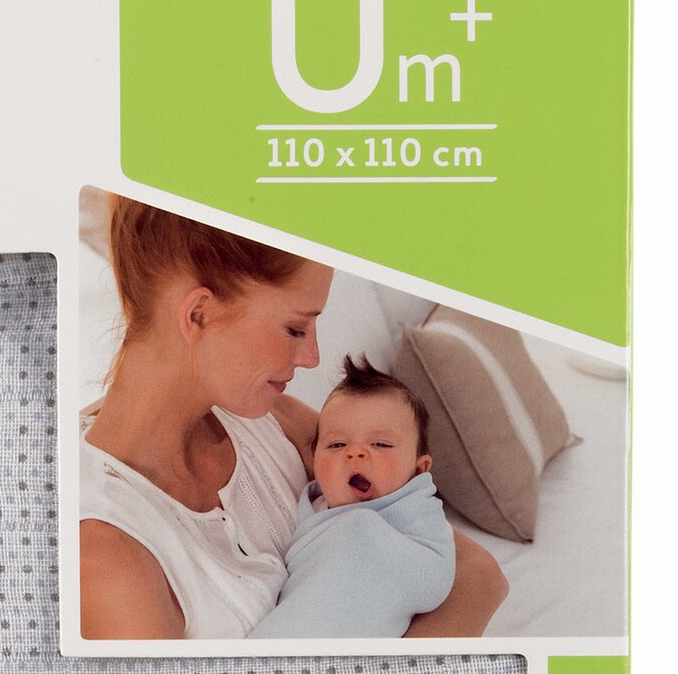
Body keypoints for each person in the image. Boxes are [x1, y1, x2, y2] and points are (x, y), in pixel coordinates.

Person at [78, 199, 505, 641]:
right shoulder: (110, 557)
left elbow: (476, 574)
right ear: (198, 314)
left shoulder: (271, 422)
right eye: (296, 329)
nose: (312, 357)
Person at [248, 355, 455, 638]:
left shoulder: (417, 511)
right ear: (314, 460)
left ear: (419, 470)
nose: (355, 453)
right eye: (337, 444)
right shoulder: (312, 507)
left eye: (380, 444)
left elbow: (433, 579)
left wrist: (363, 532)